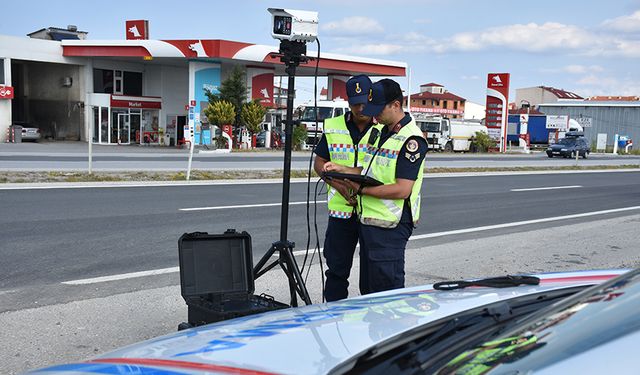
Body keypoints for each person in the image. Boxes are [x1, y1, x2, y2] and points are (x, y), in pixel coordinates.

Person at [323, 78, 427, 294]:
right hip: (369, 222)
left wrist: (361, 190)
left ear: (396, 105)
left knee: (386, 293)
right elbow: (369, 170)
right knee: (368, 291)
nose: (374, 115)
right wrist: (342, 169)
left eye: (379, 109)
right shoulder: (379, 132)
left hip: (391, 226)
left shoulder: (411, 140)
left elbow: (402, 189)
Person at [313, 74, 376, 302]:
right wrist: (337, 185)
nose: (360, 108)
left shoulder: (384, 128)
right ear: (348, 101)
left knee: (371, 275)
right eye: (355, 102)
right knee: (337, 271)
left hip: (371, 210)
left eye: (365, 102)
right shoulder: (333, 126)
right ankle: (333, 318)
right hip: (341, 212)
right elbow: (319, 163)